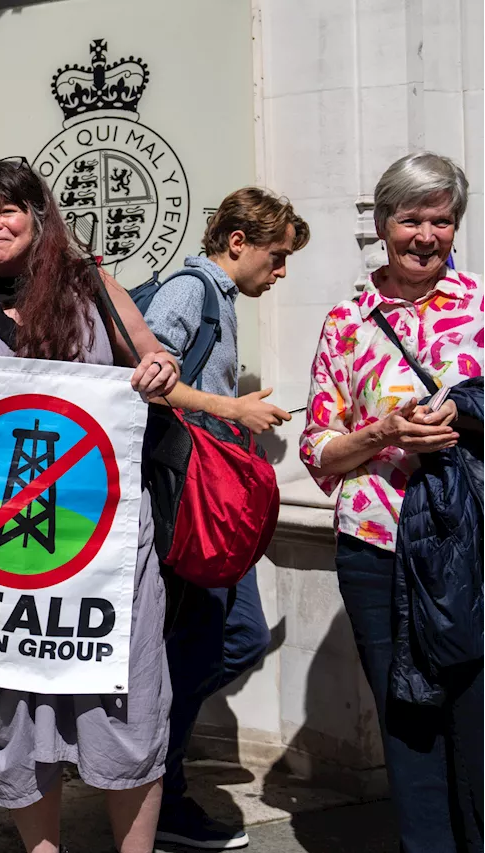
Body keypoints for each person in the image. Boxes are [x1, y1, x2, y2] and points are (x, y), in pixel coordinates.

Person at [0, 158, 179, 853]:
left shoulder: (93, 289)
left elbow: (155, 363)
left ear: (39, 215)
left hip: (102, 547)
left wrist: (159, 367)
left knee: (126, 701)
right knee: (12, 712)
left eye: (6, 210)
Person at [300, 151, 481, 852]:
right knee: (408, 722)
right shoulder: (350, 319)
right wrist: (382, 431)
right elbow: (319, 447)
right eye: (412, 219)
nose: (427, 235)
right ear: (383, 224)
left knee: (475, 721)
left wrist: (463, 419)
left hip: (470, 546)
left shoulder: (482, 306)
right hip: (378, 545)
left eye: (442, 219)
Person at [140, 187, 309, 850]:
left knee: (227, 639)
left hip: (206, 505)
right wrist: (233, 411)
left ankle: (149, 762)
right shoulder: (190, 290)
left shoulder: (217, 297)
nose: (283, 270)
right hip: (188, 509)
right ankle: (159, 787)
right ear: (237, 242)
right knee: (213, 640)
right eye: (277, 254)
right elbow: (147, 378)